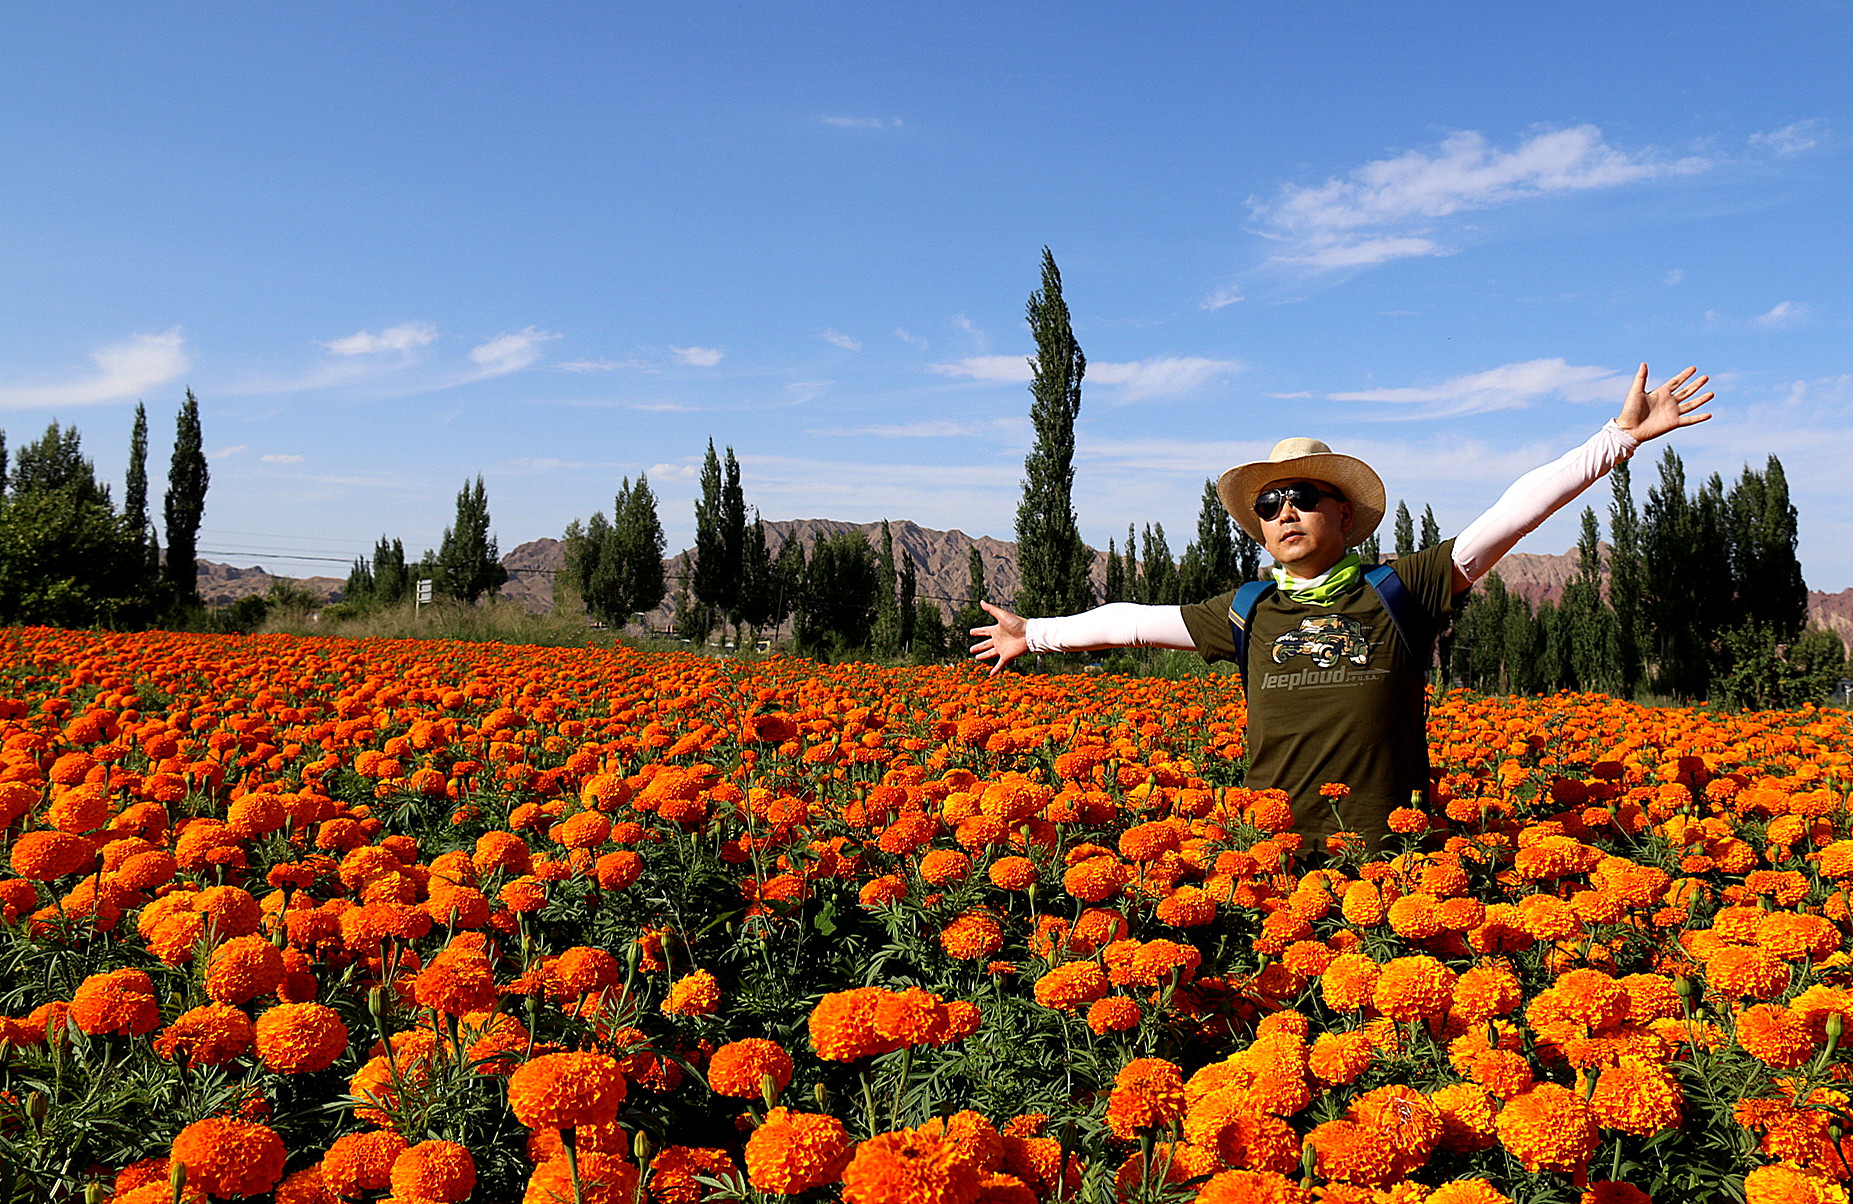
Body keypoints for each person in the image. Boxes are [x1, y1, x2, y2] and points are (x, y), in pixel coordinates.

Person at [970, 363, 1714, 850]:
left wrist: (1615, 439)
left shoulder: (1399, 588)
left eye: (1303, 497)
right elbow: (1128, 620)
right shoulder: (1248, 607)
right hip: (1270, 857)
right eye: (1268, 503)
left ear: (1344, 515)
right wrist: (1033, 633)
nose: (1284, 511)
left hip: (1389, 853)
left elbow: (1512, 515)